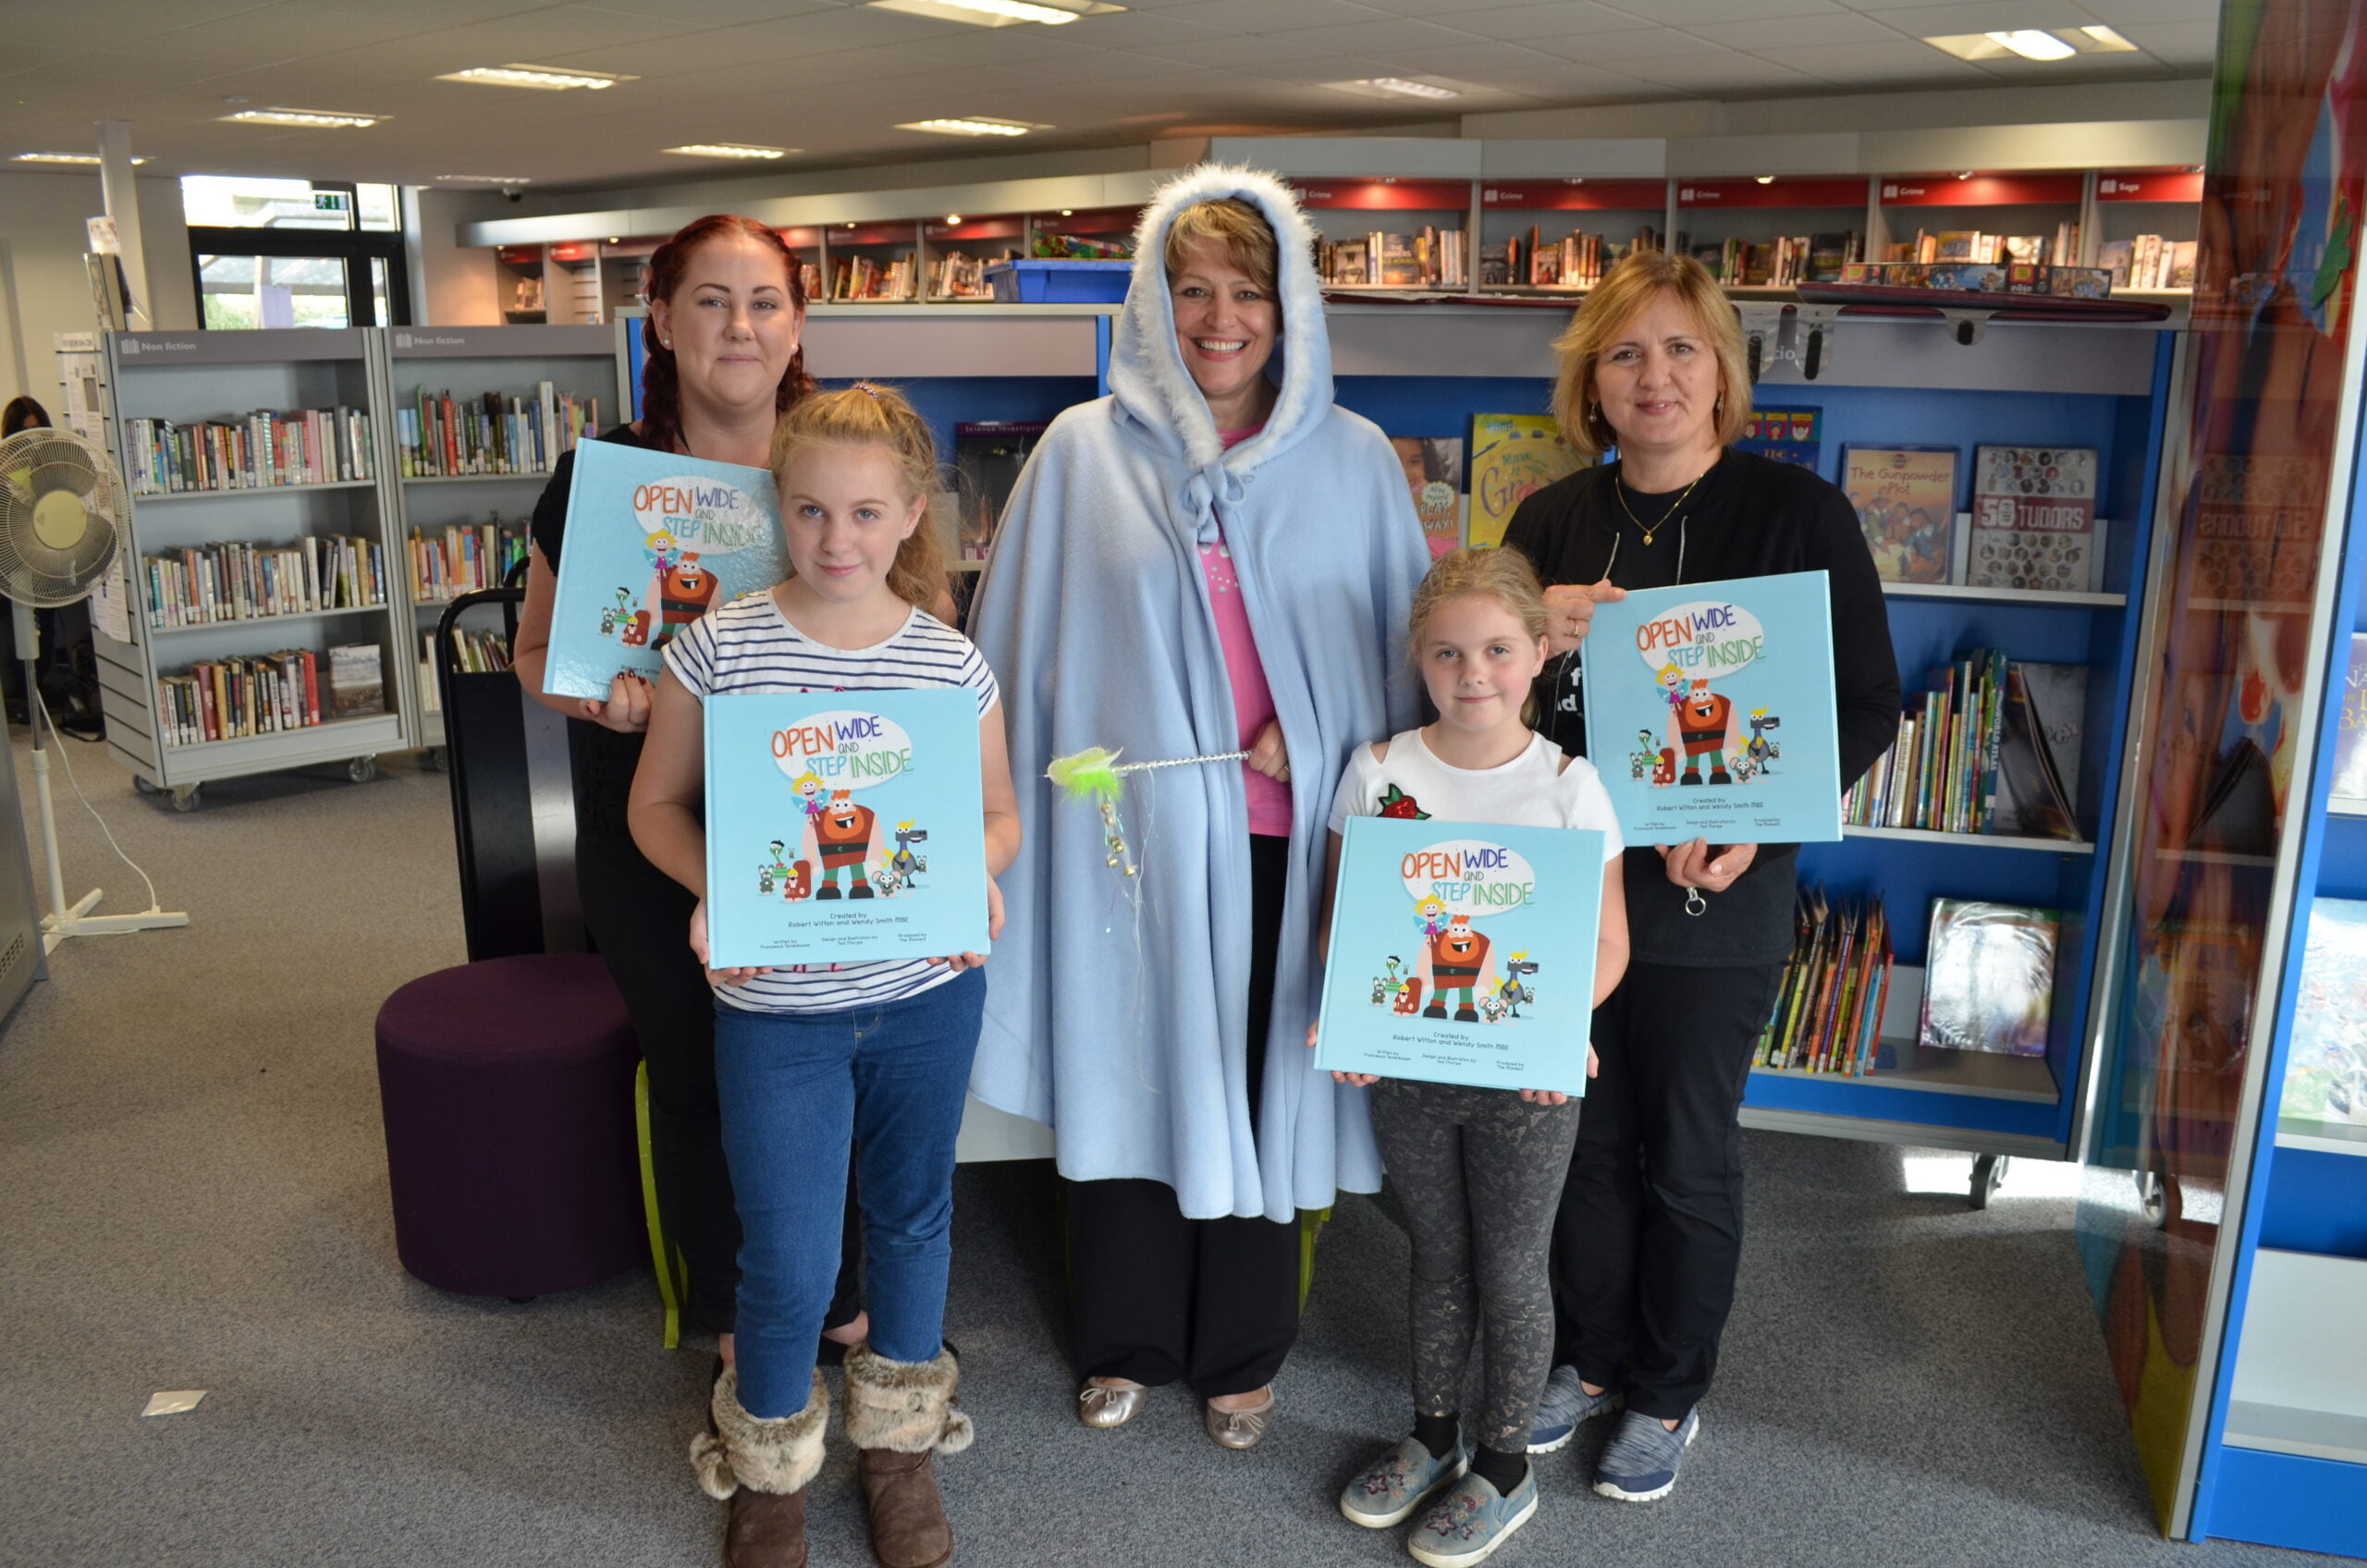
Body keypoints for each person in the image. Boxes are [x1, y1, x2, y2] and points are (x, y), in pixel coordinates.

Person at [966, 165, 1431, 1448]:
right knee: (1129, 1070)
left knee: (1257, 1078)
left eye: (1249, 294)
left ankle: (1240, 1349)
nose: (1219, 320)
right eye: (1191, 291)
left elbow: (1408, 661)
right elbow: (1012, 651)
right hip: (1129, 850)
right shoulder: (1077, 455)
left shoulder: (1354, 460)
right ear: (1147, 303)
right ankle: (1125, 1339)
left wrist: (1322, 720)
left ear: (1292, 314)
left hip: (1288, 844)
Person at [1501, 250, 1898, 1503]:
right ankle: (1593, 1361)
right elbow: (1478, 703)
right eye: (1626, 352)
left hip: (1717, 896)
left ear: (1723, 371)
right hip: (1573, 886)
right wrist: (1530, 636)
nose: (1654, 375)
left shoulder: (1798, 515)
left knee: (1683, 1151)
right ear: (1592, 382)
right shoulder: (1549, 523)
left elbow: (1868, 703)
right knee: (1581, 1141)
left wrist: (1763, 829)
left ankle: (1668, 1390)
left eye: (1681, 349)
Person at [629, 384, 1021, 1568]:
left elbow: (996, 815)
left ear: (910, 516)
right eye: (808, 511)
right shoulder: (719, 645)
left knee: (912, 1220)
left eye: (862, 513)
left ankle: (897, 1444)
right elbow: (655, 806)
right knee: (788, 1247)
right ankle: (771, 1466)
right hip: (776, 1009)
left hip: (923, 994)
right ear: (777, 510)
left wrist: (975, 875)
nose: (834, 539)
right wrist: (718, 887)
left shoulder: (951, 664)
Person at [509, 214, 867, 1379]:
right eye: (708, 301)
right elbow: (530, 656)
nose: (738, 326)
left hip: (811, 816)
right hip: (649, 829)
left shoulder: (837, 469)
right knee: (704, 1067)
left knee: (832, 1059)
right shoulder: (599, 480)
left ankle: (848, 1308)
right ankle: (736, 1324)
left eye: (763, 301)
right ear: (659, 320)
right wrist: (599, 701)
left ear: (798, 320)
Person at [1317, 547, 1630, 1567]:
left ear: (1539, 652)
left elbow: (1608, 944)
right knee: (1436, 1256)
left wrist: (1554, 1025)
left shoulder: (1571, 788)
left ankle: (1502, 1465)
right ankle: (1431, 1433)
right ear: (1419, 657)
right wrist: (1350, 1014)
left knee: (1508, 1264)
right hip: (1406, 1070)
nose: (1473, 672)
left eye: (1497, 649)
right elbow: (1343, 924)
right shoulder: (1379, 770)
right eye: (1448, 653)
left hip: (1525, 1086)